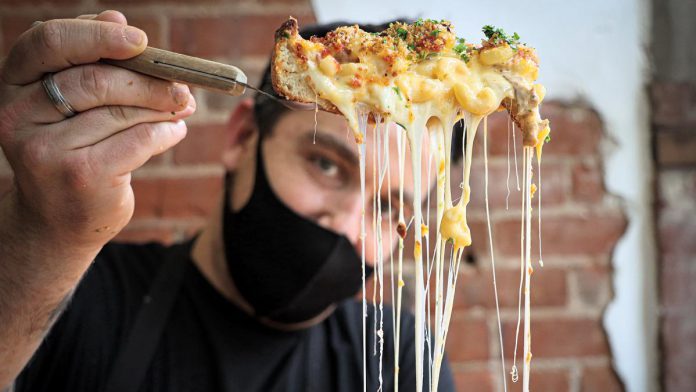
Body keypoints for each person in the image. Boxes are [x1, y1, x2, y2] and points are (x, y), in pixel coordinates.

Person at [0, 10, 456, 392]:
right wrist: (44, 233)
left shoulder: (400, 360)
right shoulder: (77, 295)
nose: (345, 225)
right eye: (326, 166)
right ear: (243, 136)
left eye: (388, 208)